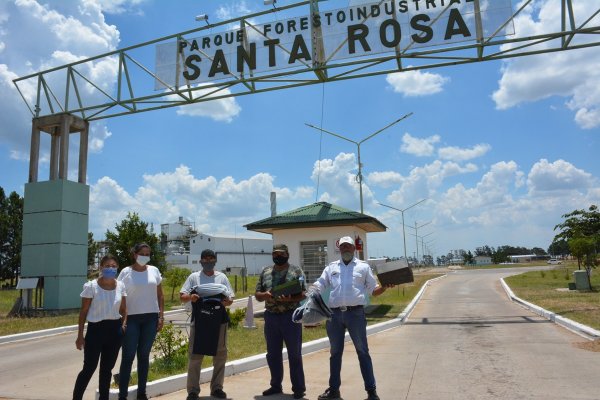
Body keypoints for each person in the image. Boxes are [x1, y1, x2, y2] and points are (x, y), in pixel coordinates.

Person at [313, 236, 395, 400]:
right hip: (334, 315)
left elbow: (373, 290)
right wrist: (310, 292)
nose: (346, 249)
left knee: (362, 352)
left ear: (354, 249)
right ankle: (334, 390)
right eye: (343, 246)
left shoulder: (363, 267)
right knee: (335, 353)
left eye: (348, 246)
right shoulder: (331, 267)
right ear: (339, 249)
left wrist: (385, 286)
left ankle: (371, 392)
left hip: (355, 314)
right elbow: (320, 284)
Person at [180, 249, 234, 400]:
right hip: (200, 321)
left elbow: (230, 298)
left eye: (211, 259)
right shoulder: (194, 277)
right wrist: (191, 297)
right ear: (201, 260)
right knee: (195, 355)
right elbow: (182, 296)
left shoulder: (222, 277)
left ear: (215, 261)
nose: (208, 261)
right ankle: (193, 390)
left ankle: (217, 388)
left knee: (220, 355)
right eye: (205, 259)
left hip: (219, 321)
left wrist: (227, 301)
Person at [255, 244, 307, 399]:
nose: (278, 256)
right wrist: (265, 295)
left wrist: (291, 298)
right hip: (271, 317)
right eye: (275, 254)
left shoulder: (296, 271)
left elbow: (303, 293)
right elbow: (257, 294)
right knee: (273, 354)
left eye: (281, 253)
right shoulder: (265, 271)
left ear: (287, 254)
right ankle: (275, 385)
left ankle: (298, 388)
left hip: (290, 317)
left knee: (295, 354)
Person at [73, 254, 127, 400]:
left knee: (106, 370)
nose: (111, 268)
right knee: (89, 368)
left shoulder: (121, 286)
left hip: (114, 331)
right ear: (101, 267)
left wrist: (123, 325)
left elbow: (123, 310)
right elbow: (83, 311)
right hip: (95, 331)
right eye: (107, 266)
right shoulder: (91, 286)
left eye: (114, 266)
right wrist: (80, 336)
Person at [117, 243, 165, 400]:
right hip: (131, 319)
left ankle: (141, 393)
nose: (145, 256)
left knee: (144, 356)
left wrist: (161, 316)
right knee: (128, 356)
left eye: (147, 254)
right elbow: (119, 296)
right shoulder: (126, 272)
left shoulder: (154, 271)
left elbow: (160, 295)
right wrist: (122, 318)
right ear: (134, 254)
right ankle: (122, 395)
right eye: (142, 253)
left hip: (151, 318)